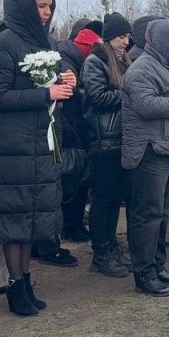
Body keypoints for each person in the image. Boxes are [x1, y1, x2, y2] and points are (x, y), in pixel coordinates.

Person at [0, 0, 75, 316]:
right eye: (41, 5)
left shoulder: (46, 41)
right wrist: (45, 94)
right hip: (14, 146)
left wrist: (66, 82)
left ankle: (25, 280)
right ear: (24, 6)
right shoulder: (6, 42)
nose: (47, 11)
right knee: (14, 221)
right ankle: (14, 285)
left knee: (30, 218)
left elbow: (53, 87)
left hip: (40, 142)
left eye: (50, 5)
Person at [121, 19, 169, 296]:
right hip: (151, 150)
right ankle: (144, 274)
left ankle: (158, 265)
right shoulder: (142, 68)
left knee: (164, 212)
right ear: (163, 42)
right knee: (148, 214)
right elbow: (146, 104)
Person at [81, 12, 133, 278]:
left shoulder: (123, 61)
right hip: (103, 140)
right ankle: (101, 252)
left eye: (127, 37)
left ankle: (112, 246)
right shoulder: (95, 62)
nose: (126, 42)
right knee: (103, 200)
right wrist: (130, 92)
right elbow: (98, 97)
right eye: (122, 37)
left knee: (114, 200)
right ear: (110, 36)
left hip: (120, 139)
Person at [55, 20, 103, 244]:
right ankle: (70, 225)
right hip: (69, 133)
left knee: (79, 181)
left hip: (78, 131)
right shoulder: (67, 63)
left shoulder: (76, 61)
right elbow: (68, 101)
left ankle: (75, 224)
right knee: (71, 182)